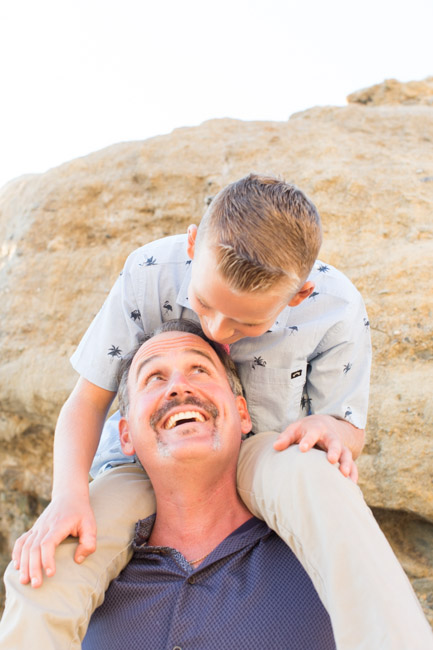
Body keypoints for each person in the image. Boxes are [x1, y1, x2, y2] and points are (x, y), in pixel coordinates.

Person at [1, 174, 430, 648]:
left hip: (265, 449)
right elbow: (87, 399)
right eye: (204, 303)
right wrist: (67, 494)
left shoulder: (334, 309)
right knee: (55, 554)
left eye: (247, 321)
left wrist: (328, 429)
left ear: (298, 295)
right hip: (138, 463)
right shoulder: (148, 272)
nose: (217, 330)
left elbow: (347, 428)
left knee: (318, 480)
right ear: (191, 245)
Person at [82, 320, 338, 649]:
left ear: (242, 413)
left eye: (199, 370)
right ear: (126, 436)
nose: (178, 387)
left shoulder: (319, 556)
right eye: (154, 377)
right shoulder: (87, 583)